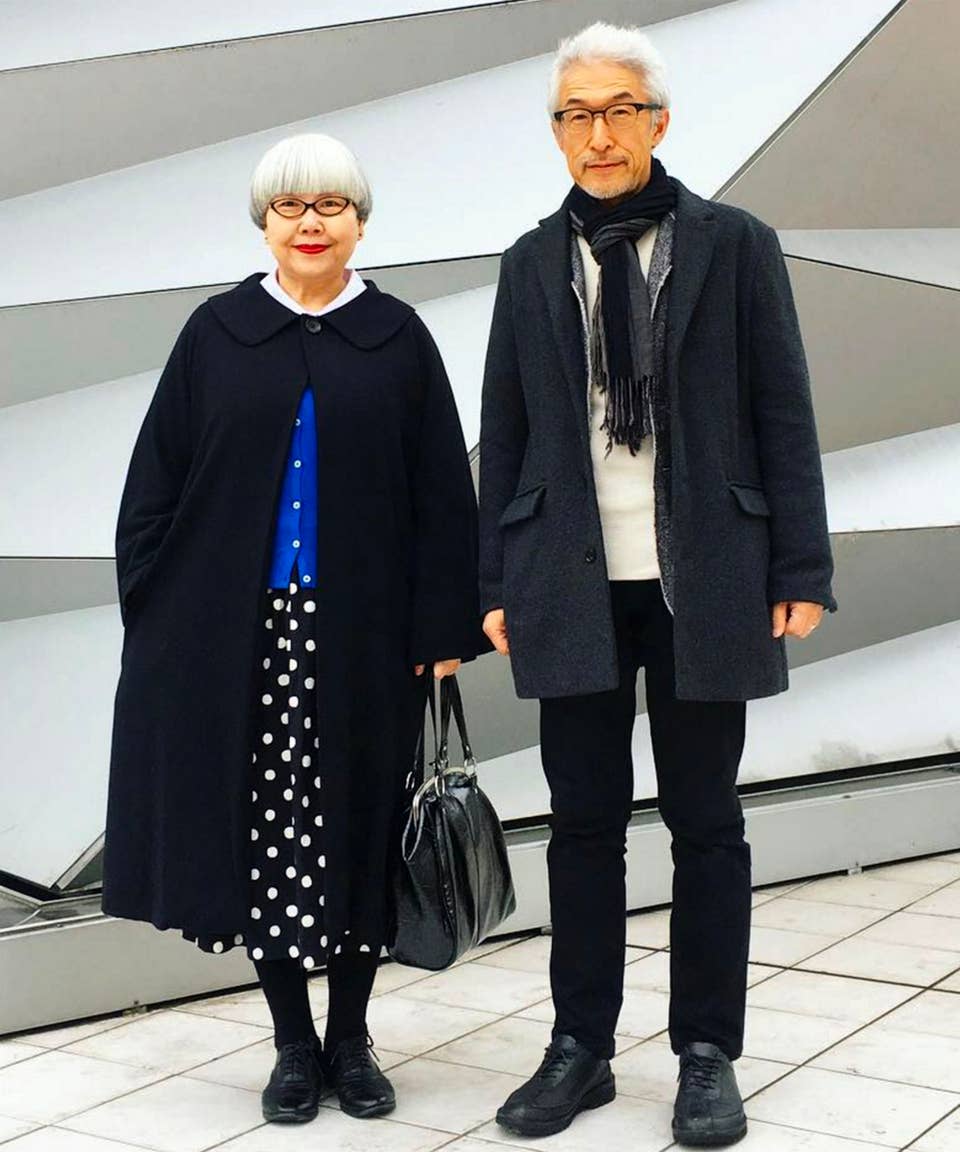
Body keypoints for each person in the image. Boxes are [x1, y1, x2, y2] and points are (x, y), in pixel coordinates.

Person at [479, 22, 835, 1148]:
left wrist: (802, 564)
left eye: (618, 110)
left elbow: (782, 407)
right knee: (582, 825)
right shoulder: (530, 262)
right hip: (568, 580)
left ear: (658, 121)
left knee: (705, 821)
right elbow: (504, 433)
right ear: (557, 132)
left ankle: (706, 1053)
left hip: (708, 578)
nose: (598, 133)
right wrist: (494, 578)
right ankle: (579, 1048)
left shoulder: (735, 245)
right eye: (576, 114)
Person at [102, 132, 482, 1125]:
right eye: (290, 207)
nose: (310, 223)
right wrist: (158, 602)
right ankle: (291, 1045)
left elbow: (444, 494)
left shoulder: (397, 338)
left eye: (330, 205)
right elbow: (155, 485)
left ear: (360, 221)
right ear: (264, 223)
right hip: (241, 634)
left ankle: (351, 1039)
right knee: (267, 829)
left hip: (369, 633)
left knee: (362, 824)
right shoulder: (217, 334)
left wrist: (443, 623)